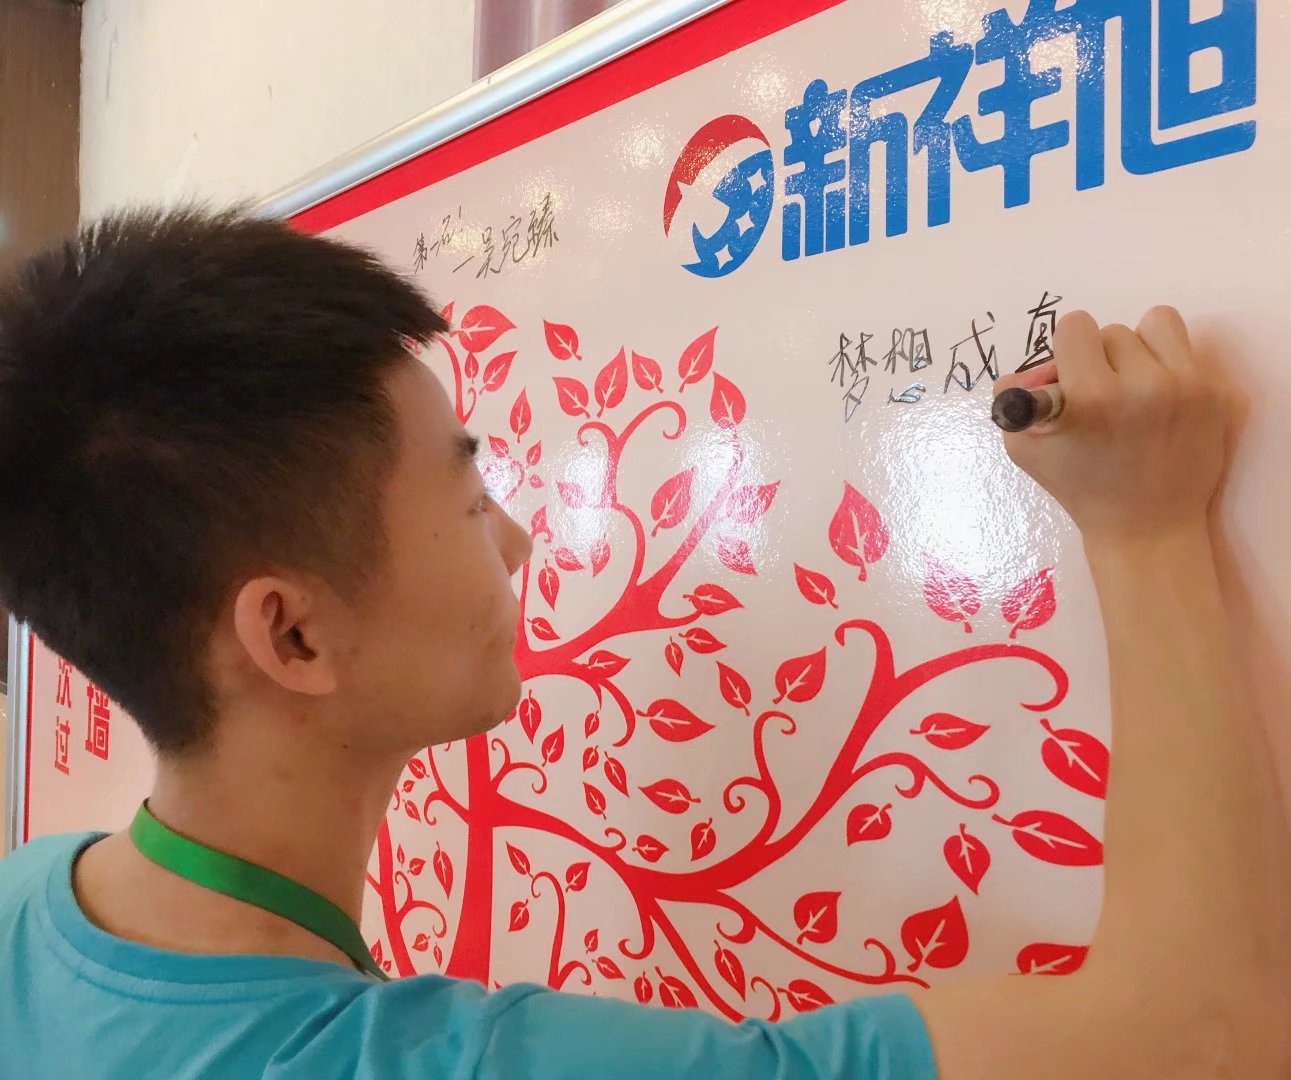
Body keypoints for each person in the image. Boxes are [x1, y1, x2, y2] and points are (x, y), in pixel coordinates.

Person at [0, 208, 1285, 1080]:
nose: (516, 542)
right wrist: (1146, 529)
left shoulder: (26, 904)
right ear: (291, 633)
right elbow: (1199, 1037)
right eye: (467, 498)